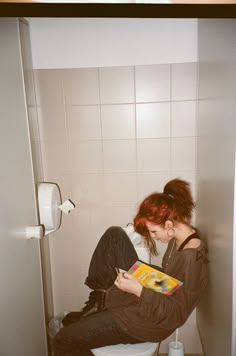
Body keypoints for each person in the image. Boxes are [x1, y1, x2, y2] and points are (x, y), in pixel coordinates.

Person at [53, 178, 208, 356]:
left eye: (154, 231)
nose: (153, 236)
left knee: (63, 340)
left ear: (169, 225)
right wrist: (142, 275)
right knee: (115, 235)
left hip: (148, 322)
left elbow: (175, 315)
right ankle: (99, 299)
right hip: (158, 291)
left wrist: (139, 289)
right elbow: (170, 284)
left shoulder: (191, 260)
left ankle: (103, 303)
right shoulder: (182, 237)